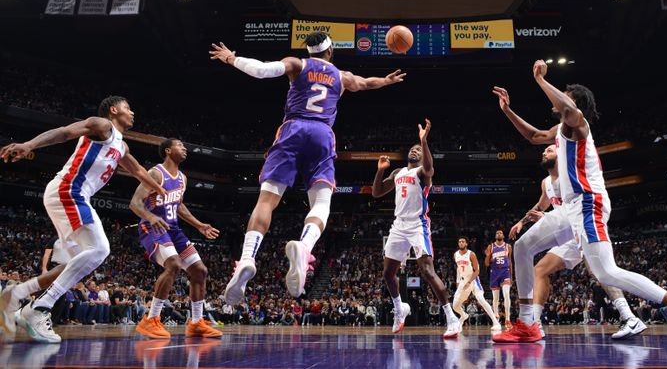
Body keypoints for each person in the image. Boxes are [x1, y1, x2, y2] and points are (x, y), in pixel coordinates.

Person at [492, 62, 667, 345]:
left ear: (574, 102)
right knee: (523, 246)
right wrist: (507, 111)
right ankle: (527, 323)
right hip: (569, 209)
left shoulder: (579, 125)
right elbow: (534, 136)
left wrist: (540, 80)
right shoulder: (562, 129)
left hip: (588, 203)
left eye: (565, 94)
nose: (560, 98)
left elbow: (567, 109)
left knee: (606, 272)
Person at [209, 34, 405, 301]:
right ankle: (304, 246)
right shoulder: (341, 75)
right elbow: (365, 83)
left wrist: (232, 59)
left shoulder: (297, 64)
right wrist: (387, 81)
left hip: (293, 129)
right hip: (322, 134)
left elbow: (263, 70)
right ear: (330, 50)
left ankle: (246, 258)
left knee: (267, 199)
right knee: (322, 202)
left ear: (310, 51)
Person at [0, 96, 165, 343]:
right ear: (113, 110)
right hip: (69, 190)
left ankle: (16, 294)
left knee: (74, 264)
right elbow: (65, 132)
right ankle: (39, 308)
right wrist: (29, 145)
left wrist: (159, 189)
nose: (132, 112)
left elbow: (138, 170)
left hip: (71, 195)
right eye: (127, 107)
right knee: (100, 249)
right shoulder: (102, 125)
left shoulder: (121, 146)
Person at [493, 96, 645, 341]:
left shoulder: (570, 159)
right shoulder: (547, 181)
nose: (547, 148)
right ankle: (534, 323)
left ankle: (630, 316)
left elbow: (568, 203)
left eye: (550, 147)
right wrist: (523, 221)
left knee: (601, 271)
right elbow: (534, 139)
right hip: (563, 226)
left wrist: (540, 81)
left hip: (581, 216)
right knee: (540, 269)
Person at [371, 119, 461, 339]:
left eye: (418, 149)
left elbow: (430, 167)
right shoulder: (398, 172)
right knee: (387, 273)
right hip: (398, 225)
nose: (415, 150)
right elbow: (376, 192)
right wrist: (380, 171)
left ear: (422, 156)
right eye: (413, 148)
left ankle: (451, 317)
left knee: (428, 272)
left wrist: (424, 141)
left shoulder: (423, 172)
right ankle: (399, 308)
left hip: (417, 225)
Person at [130, 138, 222, 339]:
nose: (185, 148)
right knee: (173, 265)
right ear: (168, 150)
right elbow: (135, 203)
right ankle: (151, 319)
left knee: (200, 270)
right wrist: (152, 217)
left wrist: (199, 225)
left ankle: (196, 323)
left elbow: (178, 205)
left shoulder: (182, 178)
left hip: (173, 229)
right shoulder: (155, 173)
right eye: (180, 145)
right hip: (153, 226)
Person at [452, 237, 501, 333]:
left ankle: (495, 322)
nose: (461, 243)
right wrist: (458, 283)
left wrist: (470, 281)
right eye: (459, 242)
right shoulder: (455, 254)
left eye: (463, 242)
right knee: (455, 306)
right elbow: (458, 269)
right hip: (463, 281)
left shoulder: (471, 254)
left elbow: (477, 270)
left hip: (473, 280)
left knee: (481, 299)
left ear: (466, 244)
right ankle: (463, 315)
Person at [485, 230, 513, 329]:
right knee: (495, 298)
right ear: (495, 236)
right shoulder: (491, 246)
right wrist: (488, 255)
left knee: (506, 295)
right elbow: (487, 264)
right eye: (497, 233)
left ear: (503, 235)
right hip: (494, 273)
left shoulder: (508, 246)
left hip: (505, 272)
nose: (499, 234)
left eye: (501, 233)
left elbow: (510, 262)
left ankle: (508, 319)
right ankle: (496, 319)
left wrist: (511, 276)